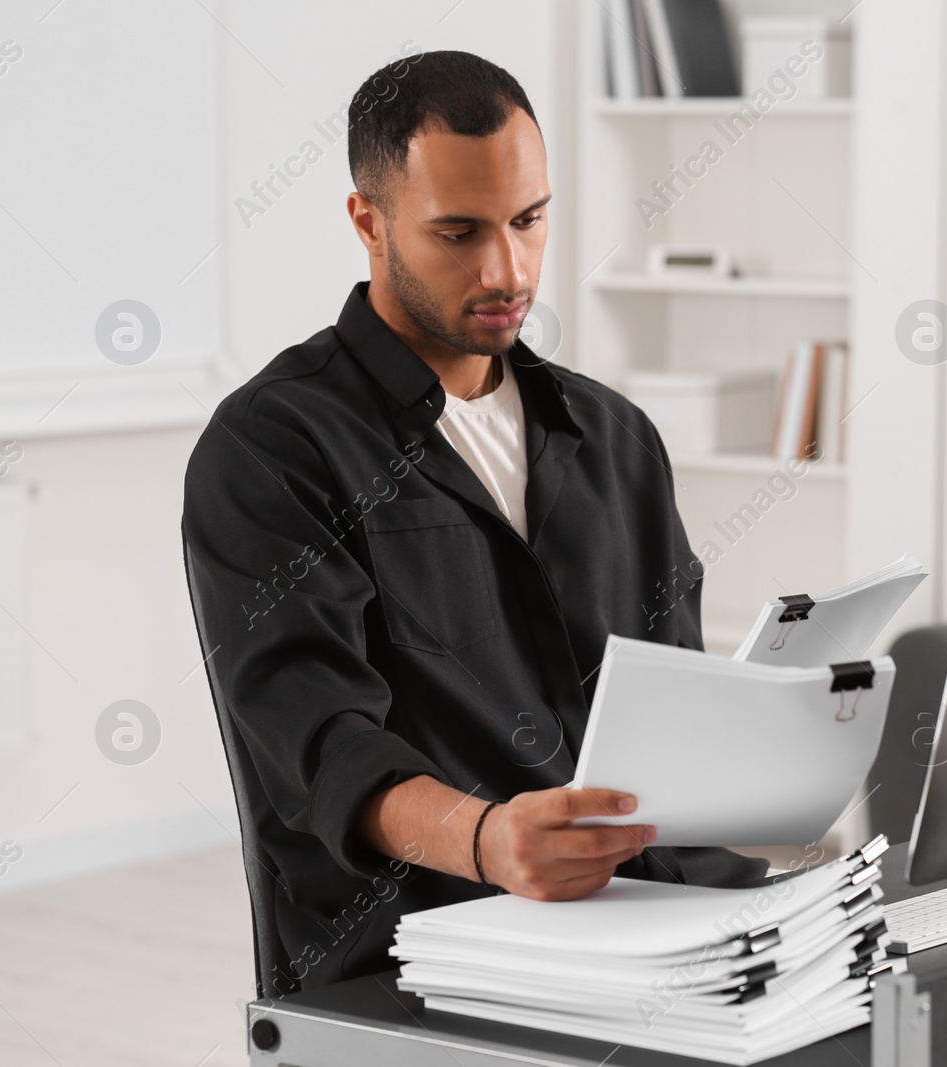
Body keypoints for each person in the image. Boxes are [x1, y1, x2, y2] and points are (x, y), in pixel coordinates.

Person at [183, 50, 767, 994]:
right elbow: (321, 745)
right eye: (458, 231)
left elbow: (674, 692)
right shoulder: (270, 446)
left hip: (660, 912)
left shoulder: (615, 435)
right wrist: (492, 841)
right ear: (368, 223)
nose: (508, 268)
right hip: (431, 952)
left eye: (530, 220)